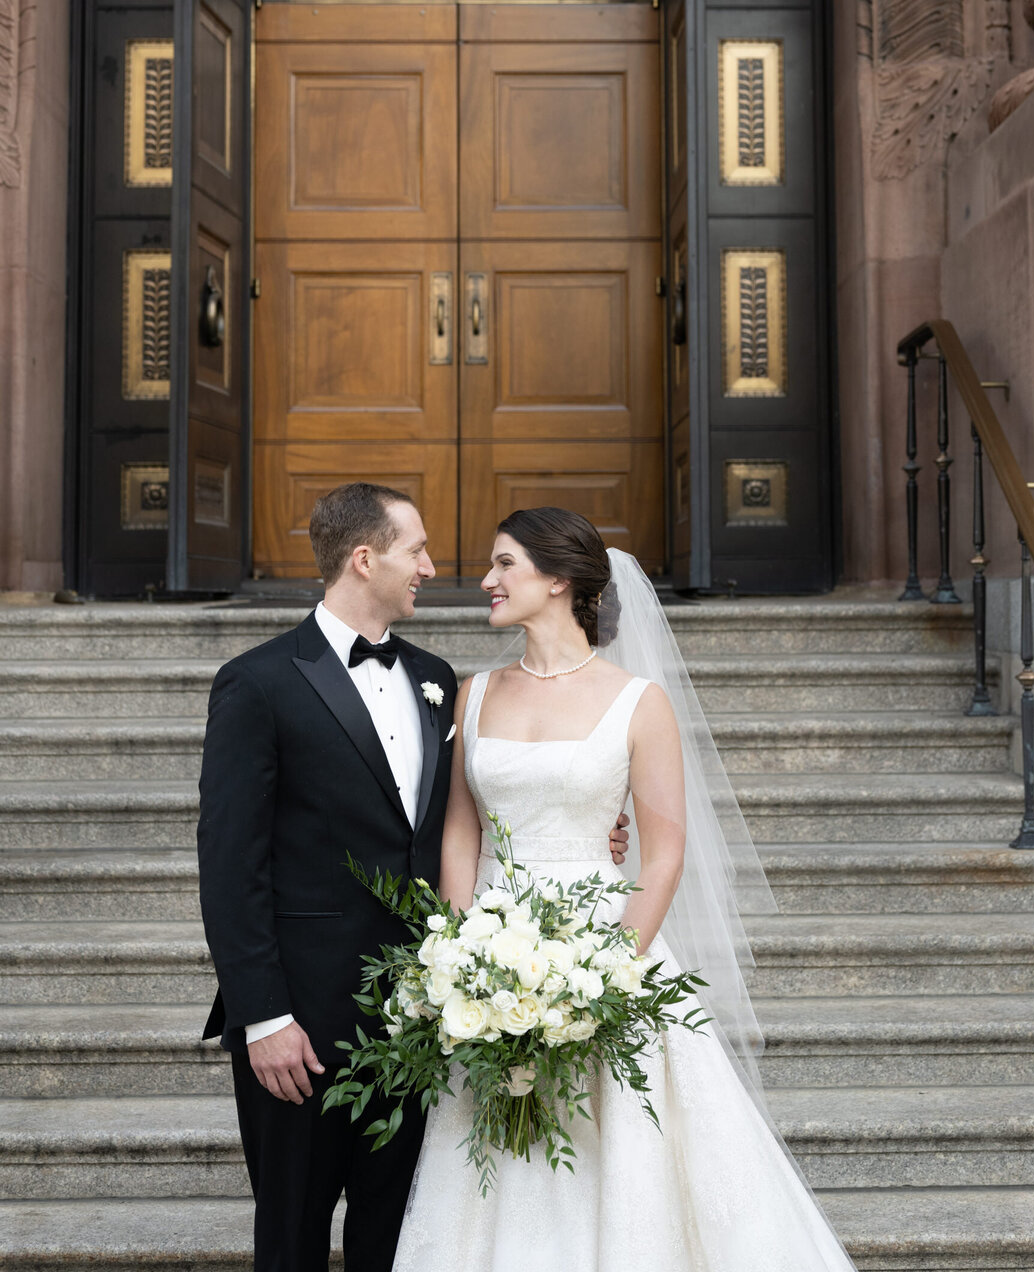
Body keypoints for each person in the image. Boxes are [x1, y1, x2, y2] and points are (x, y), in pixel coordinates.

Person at [391, 507, 859, 1272]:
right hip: (492, 952)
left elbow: (664, 852)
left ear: (559, 580)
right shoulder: (473, 695)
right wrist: (462, 954)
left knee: (625, 1153)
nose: (487, 580)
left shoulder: (639, 702)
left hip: (606, 948)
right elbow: (458, 836)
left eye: (505, 564)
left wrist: (604, 976)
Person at [196, 480, 632, 1272]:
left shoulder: (438, 677)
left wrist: (595, 811)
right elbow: (229, 865)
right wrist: (262, 1018)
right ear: (364, 560)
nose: (433, 566)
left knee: (398, 1241)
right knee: (290, 1236)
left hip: (424, 1017)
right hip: (302, 1025)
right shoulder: (257, 682)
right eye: (416, 550)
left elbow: (474, 813)